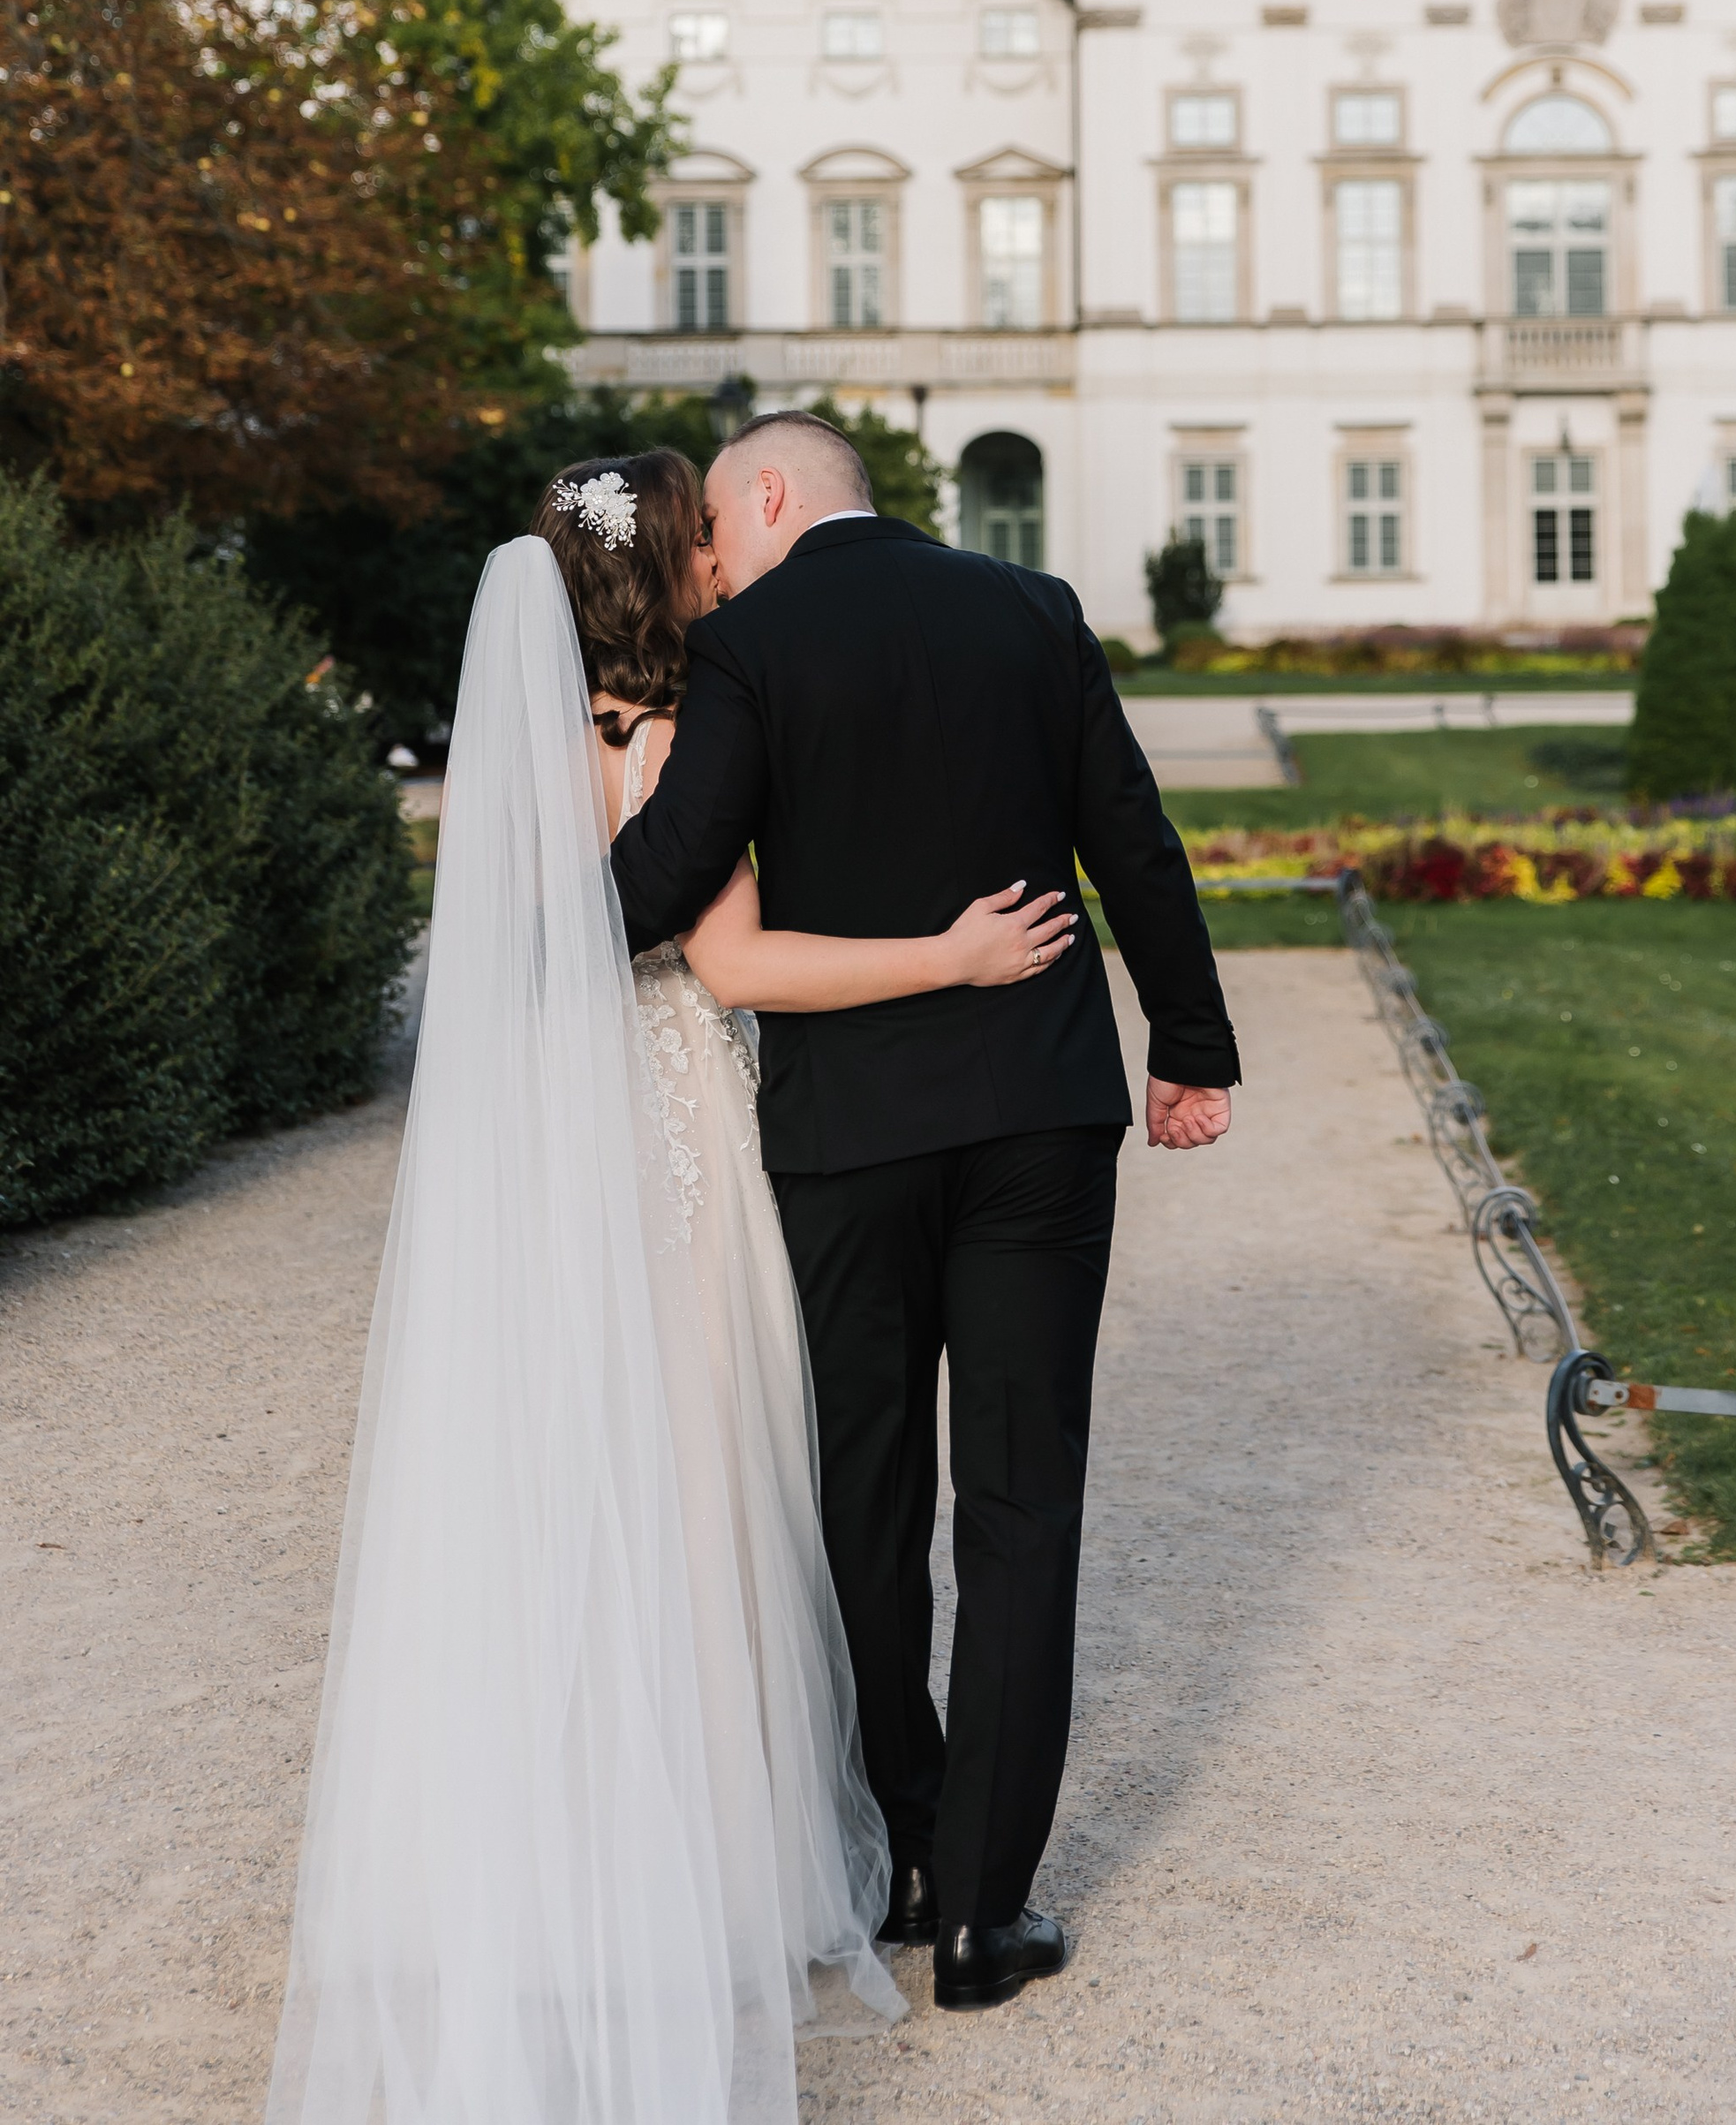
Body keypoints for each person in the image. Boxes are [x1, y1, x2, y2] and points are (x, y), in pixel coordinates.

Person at [266, 448, 1076, 2125]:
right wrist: (958, 953)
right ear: (671, 571)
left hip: (558, 1126)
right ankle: (706, 1869)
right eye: (701, 537)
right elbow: (727, 962)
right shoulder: (687, 723)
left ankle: (533, 1858)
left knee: (562, 1485)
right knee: (707, 1482)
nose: (723, 555)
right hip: (680, 1130)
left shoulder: (529, 741)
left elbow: (542, 941)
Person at [609, 408, 1241, 2012]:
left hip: (848, 1139)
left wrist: (562, 881)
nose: (712, 560)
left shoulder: (750, 644)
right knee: (1023, 1505)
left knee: (867, 1500)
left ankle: (900, 1845)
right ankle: (982, 1913)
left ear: (766, 497)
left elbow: (671, 877)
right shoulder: (1032, 611)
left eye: (722, 528)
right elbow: (1134, 844)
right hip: (1037, 1109)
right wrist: (1191, 1045)